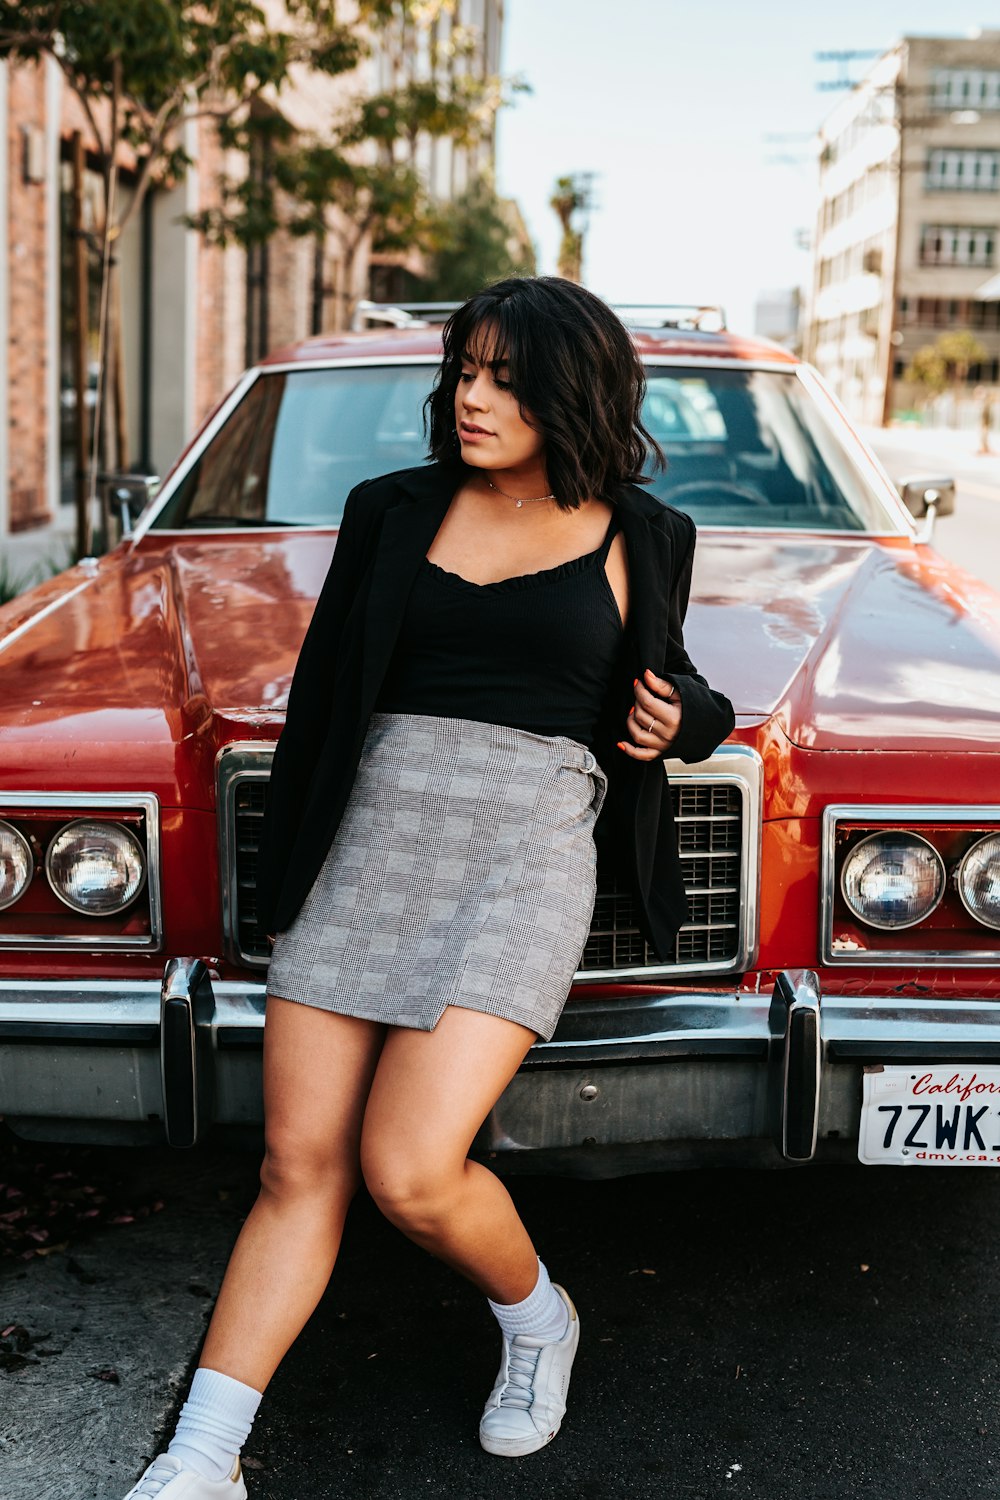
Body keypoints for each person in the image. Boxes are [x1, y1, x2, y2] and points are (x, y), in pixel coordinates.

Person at [123, 275, 735, 1498]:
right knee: (299, 1164)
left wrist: (688, 722)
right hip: (370, 843)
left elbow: (684, 690)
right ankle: (205, 1458)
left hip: (522, 856)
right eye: (464, 369)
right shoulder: (393, 510)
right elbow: (329, 702)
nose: (471, 395)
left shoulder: (642, 534)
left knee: (409, 1170)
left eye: (504, 376)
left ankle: (536, 1318)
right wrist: (287, 878)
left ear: (571, 389)